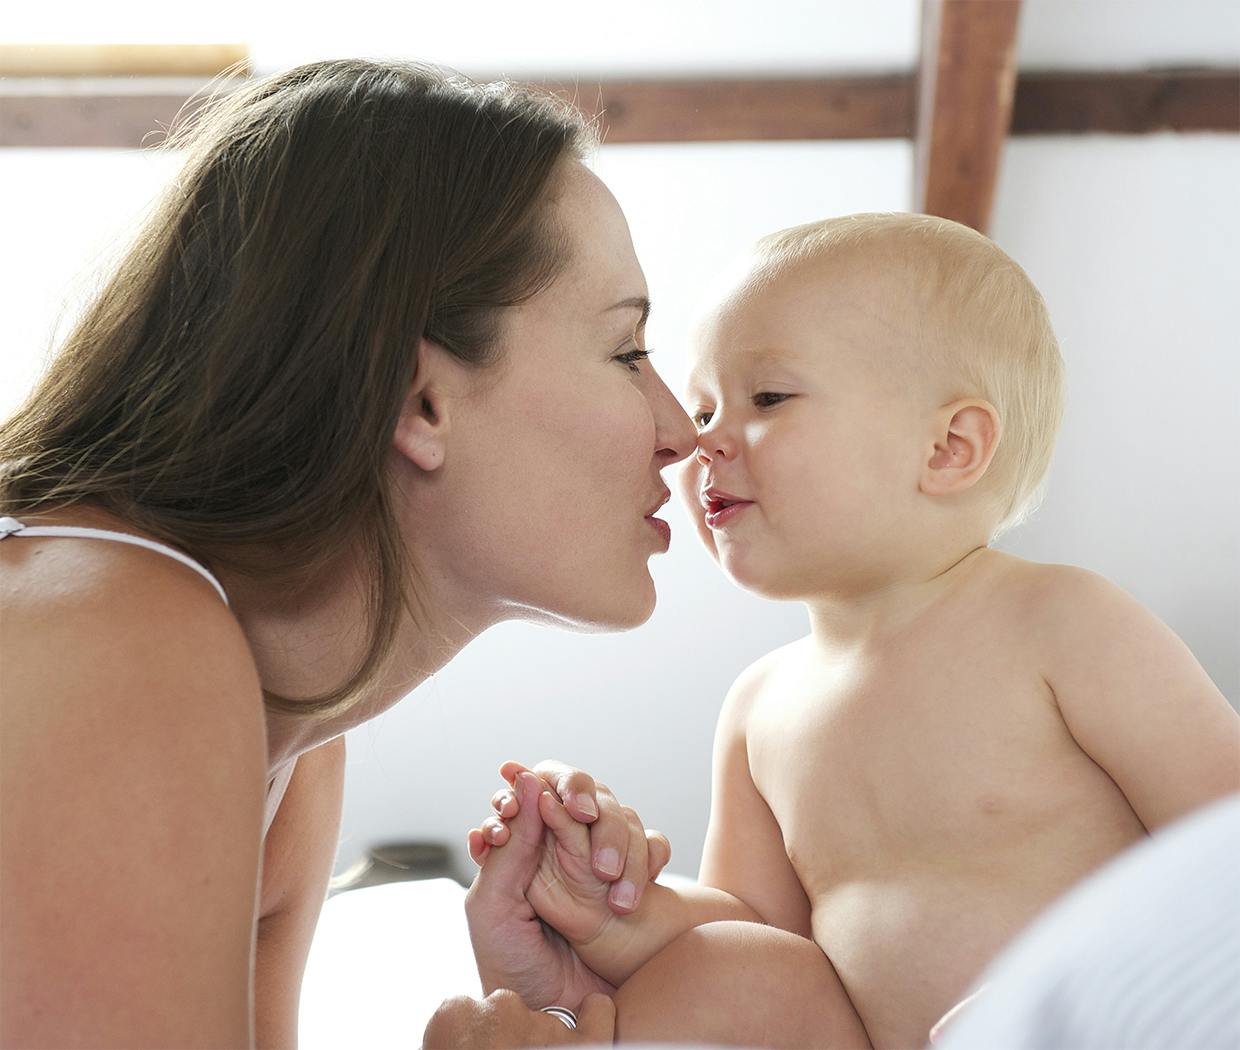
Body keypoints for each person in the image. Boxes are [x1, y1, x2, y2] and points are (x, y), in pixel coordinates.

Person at [0, 57, 695, 1049]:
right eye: (628, 353)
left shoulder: (289, 724)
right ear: (420, 403)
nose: (681, 431)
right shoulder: (117, 634)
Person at [466, 213, 1240, 1047]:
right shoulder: (761, 705)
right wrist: (613, 907)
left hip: (1082, 1028)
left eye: (767, 398)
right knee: (724, 968)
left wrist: (1083, 989)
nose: (700, 442)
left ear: (948, 448)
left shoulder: (1063, 624)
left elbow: (1221, 848)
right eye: (702, 409)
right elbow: (759, 925)